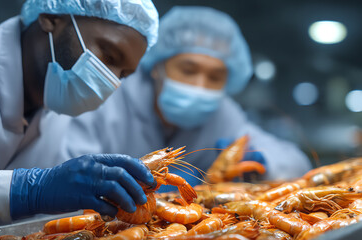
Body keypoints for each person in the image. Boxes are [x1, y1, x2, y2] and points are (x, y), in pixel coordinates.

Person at [0, 0, 159, 232]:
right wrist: (25, 191)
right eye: (109, 57)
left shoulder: (59, 108)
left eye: (122, 75)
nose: (110, 82)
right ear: (51, 18)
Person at [45, 6, 312, 188]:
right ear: (158, 67)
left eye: (215, 77)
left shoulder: (223, 114)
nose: (200, 85)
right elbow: (60, 172)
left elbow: (296, 161)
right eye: (188, 69)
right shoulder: (109, 96)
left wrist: (262, 162)